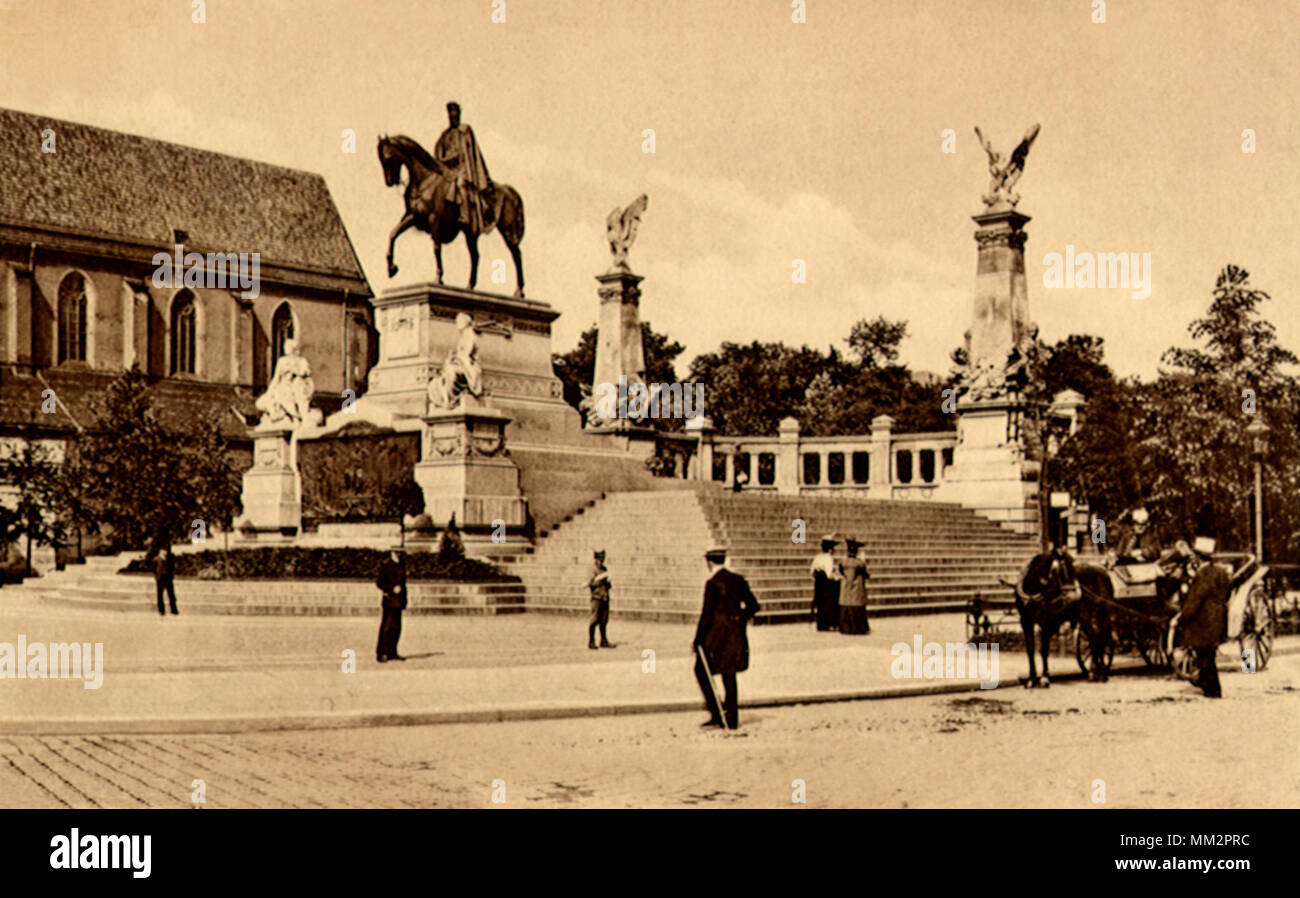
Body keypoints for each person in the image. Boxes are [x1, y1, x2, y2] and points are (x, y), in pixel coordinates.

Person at [693, 546, 760, 729]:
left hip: (715, 636)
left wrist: (698, 639)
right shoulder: (738, 579)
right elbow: (754, 606)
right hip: (735, 634)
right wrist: (739, 619)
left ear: (709, 562)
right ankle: (731, 718)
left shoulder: (712, 583)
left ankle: (717, 712)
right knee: (729, 674)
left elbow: (706, 614)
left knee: (701, 670)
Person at [1177, 536, 1228, 698]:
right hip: (1218, 617)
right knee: (1209, 655)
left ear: (1199, 557)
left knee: (1205, 656)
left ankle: (1212, 689)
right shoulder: (1220, 572)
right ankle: (1208, 685)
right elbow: (1227, 592)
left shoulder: (1202, 575)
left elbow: (1195, 601)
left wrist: (1181, 618)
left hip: (1204, 620)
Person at [435, 101, 494, 231]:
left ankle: (465, 215)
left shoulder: (464, 131)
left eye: (454, 113)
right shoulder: (446, 134)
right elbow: (439, 149)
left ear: (458, 114)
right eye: (450, 113)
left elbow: (462, 152)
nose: (452, 116)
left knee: (461, 184)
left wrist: (448, 158)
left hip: (462, 168)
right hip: (447, 169)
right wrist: (439, 158)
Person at [376, 545, 407, 663]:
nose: (398, 554)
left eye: (400, 552)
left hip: (399, 601)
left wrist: (404, 600)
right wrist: (391, 589)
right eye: (396, 552)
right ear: (392, 552)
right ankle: (382, 653)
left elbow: (404, 584)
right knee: (386, 628)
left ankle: (393, 651)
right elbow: (379, 583)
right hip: (389, 600)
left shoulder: (402, 565)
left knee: (397, 628)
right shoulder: (386, 565)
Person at [838, 537, 871, 635]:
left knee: (846, 603)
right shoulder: (859, 563)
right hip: (856, 591)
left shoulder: (843, 562)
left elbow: (840, 570)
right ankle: (858, 628)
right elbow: (866, 574)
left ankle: (845, 627)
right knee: (856, 604)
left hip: (846, 591)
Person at [810, 535, 842, 631]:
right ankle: (831, 623)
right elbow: (829, 574)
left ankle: (821, 624)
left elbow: (811, 572)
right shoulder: (828, 558)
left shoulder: (818, 557)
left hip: (818, 584)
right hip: (826, 585)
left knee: (820, 605)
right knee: (830, 602)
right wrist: (838, 577)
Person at [587, 549, 614, 649]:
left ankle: (603, 640)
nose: (601, 561)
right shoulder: (592, 570)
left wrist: (608, 582)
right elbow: (590, 583)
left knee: (604, 620)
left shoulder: (604, 569)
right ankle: (591, 641)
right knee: (594, 619)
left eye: (603, 559)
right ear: (595, 559)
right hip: (596, 597)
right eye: (599, 559)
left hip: (604, 596)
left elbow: (609, 585)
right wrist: (600, 580)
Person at [154, 546, 178, 616]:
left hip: (168, 579)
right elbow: (154, 569)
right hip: (160, 579)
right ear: (160, 551)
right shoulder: (156, 559)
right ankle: (161, 610)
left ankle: (174, 610)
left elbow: (171, 568)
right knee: (160, 595)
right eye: (163, 551)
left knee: (171, 594)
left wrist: (171, 576)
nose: (165, 552)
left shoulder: (169, 559)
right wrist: (157, 576)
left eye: (165, 551)